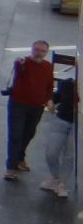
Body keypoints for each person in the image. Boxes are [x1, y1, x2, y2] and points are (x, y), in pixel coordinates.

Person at [4, 39, 53, 180]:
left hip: (37, 107)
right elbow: (20, 70)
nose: (39, 53)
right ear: (32, 50)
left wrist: (48, 100)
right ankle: (10, 168)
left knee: (29, 134)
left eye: (42, 51)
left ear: (46, 53)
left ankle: (20, 158)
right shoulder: (23, 63)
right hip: (18, 105)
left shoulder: (48, 67)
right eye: (36, 50)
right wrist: (20, 63)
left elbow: (49, 85)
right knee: (15, 136)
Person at [40, 70, 78, 198]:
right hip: (61, 120)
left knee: (69, 155)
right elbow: (56, 95)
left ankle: (61, 183)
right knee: (51, 152)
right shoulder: (67, 84)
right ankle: (55, 177)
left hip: (78, 124)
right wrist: (50, 101)